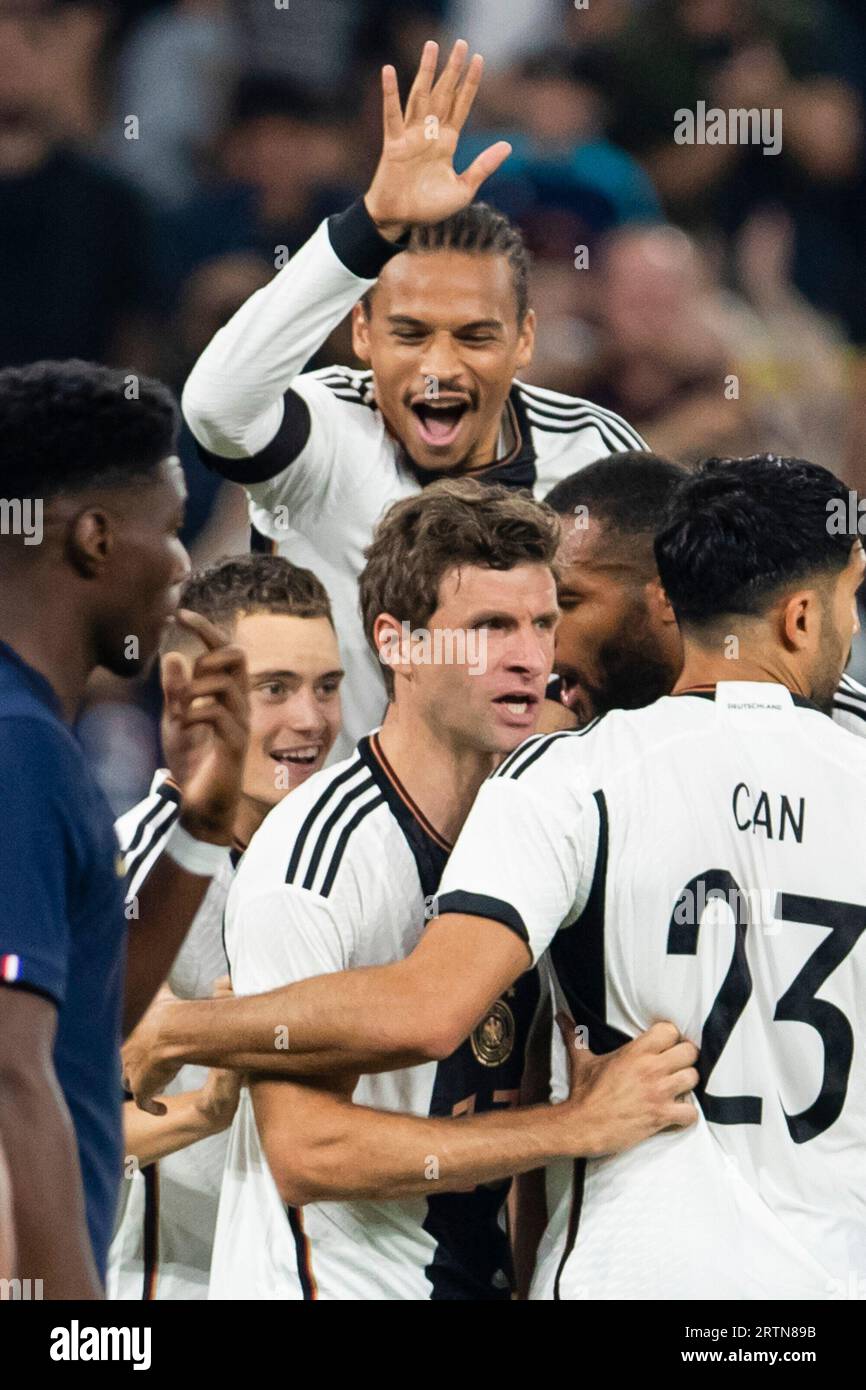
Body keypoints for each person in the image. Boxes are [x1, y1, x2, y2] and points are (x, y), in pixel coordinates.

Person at [126, 455, 866, 1300]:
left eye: (543, 623)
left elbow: (510, 1109)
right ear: (395, 642)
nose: (529, 659)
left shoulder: (555, 795)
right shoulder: (319, 852)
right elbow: (308, 1152)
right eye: (488, 629)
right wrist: (571, 1127)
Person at [181, 37, 646, 754]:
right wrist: (371, 226)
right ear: (361, 332)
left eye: (474, 336)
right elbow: (216, 407)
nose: (439, 368)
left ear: (525, 341)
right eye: (410, 333)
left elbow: (658, 633)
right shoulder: (325, 430)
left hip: (534, 839)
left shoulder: (592, 452)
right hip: (335, 836)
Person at [0, 360, 249, 1297]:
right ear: (97, 540)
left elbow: (84, 1023)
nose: (188, 568)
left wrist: (199, 823)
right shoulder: (16, 749)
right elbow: (11, 1082)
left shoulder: (34, 739)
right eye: (176, 529)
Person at [108, 553, 343, 1300]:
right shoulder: (131, 875)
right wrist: (208, 1107)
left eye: (327, 687)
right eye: (274, 689)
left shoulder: (336, 858)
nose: (309, 720)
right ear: (191, 693)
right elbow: (45, 1124)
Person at [544, 450, 866, 732]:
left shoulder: (849, 733)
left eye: (566, 602)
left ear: (668, 594)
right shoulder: (530, 730)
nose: (539, 638)